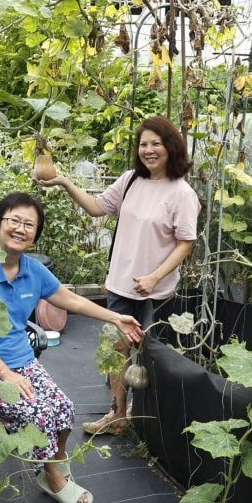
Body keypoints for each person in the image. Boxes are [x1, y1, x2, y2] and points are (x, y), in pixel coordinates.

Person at [0, 192, 144, 503]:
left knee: (66, 411)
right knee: (36, 415)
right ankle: (53, 477)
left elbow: (71, 300)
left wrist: (115, 316)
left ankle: (53, 460)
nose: (20, 229)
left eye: (29, 224)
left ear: (35, 234)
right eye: (13, 220)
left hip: (23, 361)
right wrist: (5, 374)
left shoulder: (32, 269)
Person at [36, 116, 199, 435]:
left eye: (156, 143)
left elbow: (186, 243)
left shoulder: (181, 193)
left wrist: (154, 276)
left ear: (171, 147)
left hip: (157, 291)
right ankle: (118, 414)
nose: (149, 150)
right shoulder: (130, 181)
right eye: (143, 144)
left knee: (152, 356)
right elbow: (97, 207)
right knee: (116, 353)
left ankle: (150, 419)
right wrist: (65, 182)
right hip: (121, 287)